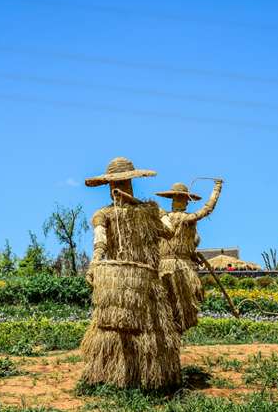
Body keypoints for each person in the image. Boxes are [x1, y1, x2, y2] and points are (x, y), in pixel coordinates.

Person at [80, 157, 181, 391]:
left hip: (145, 283)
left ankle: (152, 378)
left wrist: (153, 213)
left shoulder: (148, 211)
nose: (117, 188)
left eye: (120, 183)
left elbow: (168, 231)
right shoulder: (105, 214)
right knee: (115, 327)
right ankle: (114, 376)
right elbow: (100, 243)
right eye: (116, 184)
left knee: (151, 329)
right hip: (119, 285)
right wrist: (95, 263)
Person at [155, 180, 222, 333]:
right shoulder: (188, 218)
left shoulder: (162, 219)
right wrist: (217, 189)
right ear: (185, 200)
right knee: (183, 306)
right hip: (182, 267)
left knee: (165, 305)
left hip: (162, 267)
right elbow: (207, 208)